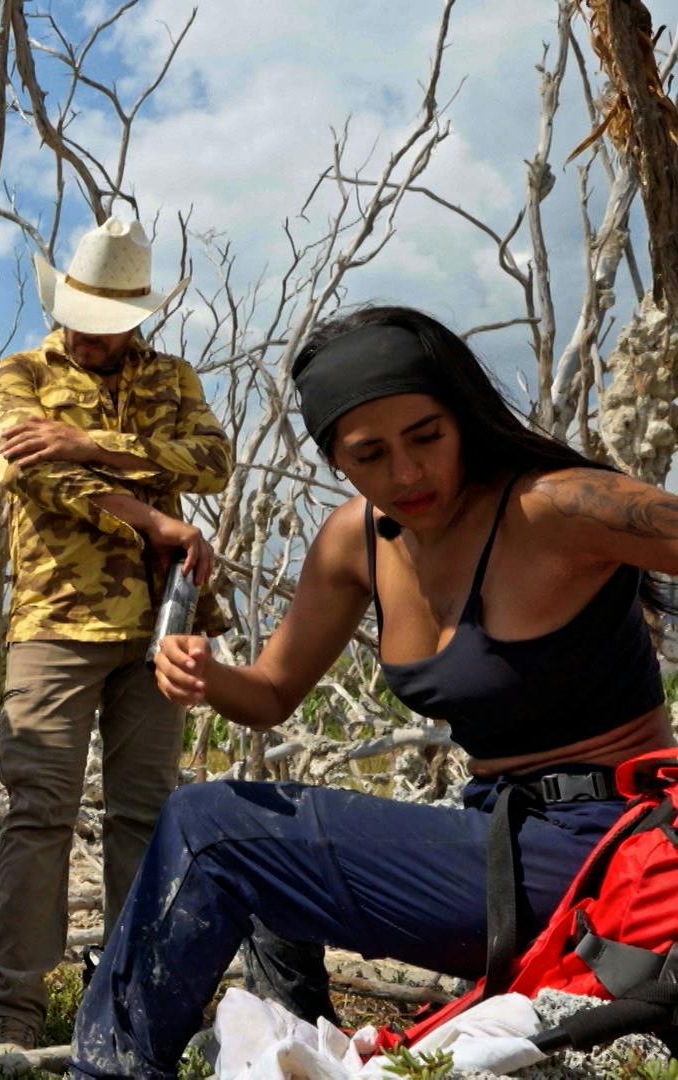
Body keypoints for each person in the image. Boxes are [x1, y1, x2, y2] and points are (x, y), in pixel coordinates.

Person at [70, 306, 678, 1078]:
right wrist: (206, 673)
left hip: (610, 853)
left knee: (209, 830)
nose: (407, 474)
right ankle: (298, 1049)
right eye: (371, 454)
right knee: (265, 839)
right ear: (336, 459)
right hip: (496, 846)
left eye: (426, 437)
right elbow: (269, 694)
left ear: (464, 419)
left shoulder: (553, 505)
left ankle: (108, 1071)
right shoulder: (354, 541)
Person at [0, 217, 230, 1049]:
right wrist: (149, 515)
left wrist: (92, 441)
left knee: (146, 815)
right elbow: (31, 469)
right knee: (38, 811)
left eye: (109, 322)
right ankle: (11, 1009)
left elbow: (212, 459)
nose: (92, 336)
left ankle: (139, 1006)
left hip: (160, 623)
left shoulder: (173, 376)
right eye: (82, 318)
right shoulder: (22, 372)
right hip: (54, 621)